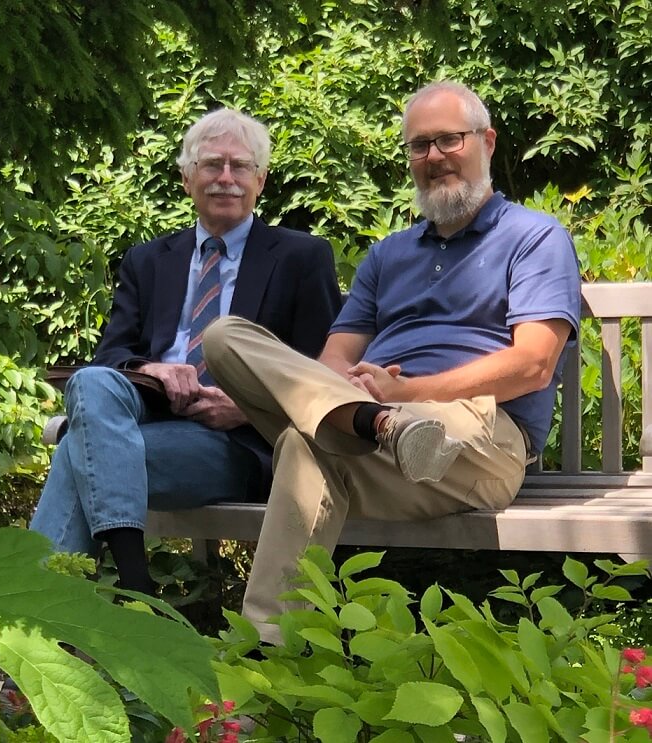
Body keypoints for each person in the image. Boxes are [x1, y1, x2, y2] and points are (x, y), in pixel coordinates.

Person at [201, 80, 581, 644]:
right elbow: (333, 360)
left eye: (448, 141)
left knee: (304, 446)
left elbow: (532, 365)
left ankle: (260, 662)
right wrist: (361, 398)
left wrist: (407, 394)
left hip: (479, 436)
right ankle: (372, 426)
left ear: (487, 142)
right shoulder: (389, 254)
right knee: (225, 335)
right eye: (419, 146)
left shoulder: (533, 238)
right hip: (380, 428)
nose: (434, 158)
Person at [30, 108, 342, 595]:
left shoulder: (302, 258)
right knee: (91, 380)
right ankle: (135, 589)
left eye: (240, 167)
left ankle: (58, 619)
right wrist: (151, 368)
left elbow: (325, 375)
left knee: (77, 450)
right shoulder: (148, 260)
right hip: (149, 415)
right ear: (185, 178)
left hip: (236, 441)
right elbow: (112, 355)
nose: (225, 179)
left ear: (261, 180)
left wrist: (245, 407)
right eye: (211, 165)